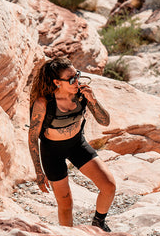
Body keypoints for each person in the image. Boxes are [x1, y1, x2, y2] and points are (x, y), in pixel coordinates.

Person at [28, 57, 116, 232]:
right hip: (52, 152)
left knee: (109, 186)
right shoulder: (44, 103)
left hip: (77, 145)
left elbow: (105, 122)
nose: (77, 81)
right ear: (57, 82)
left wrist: (93, 100)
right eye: (71, 79)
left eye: (77, 75)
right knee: (66, 203)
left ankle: (98, 222)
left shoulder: (82, 94)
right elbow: (32, 138)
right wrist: (39, 172)